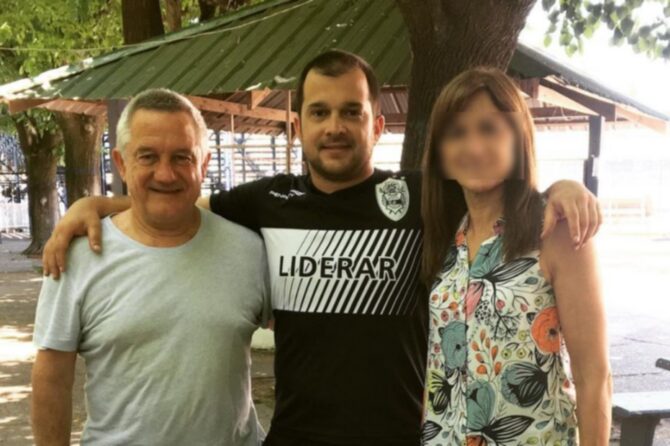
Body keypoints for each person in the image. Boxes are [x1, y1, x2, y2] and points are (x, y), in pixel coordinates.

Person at [41, 51, 602, 446]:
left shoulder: (423, 198)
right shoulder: (266, 202)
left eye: (351, 112)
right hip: (296, 437)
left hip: (404, 437)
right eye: (319, 112)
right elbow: (174, 197)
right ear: (299, 125)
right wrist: (93, 205)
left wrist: (561, 189)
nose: (335, 126)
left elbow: (498, 185)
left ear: (376, 125)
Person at [31, 89, 271, 446]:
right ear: (121, 163)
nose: (166, 174)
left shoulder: (250, 251)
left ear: (204, 163)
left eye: (182, 157)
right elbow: (52, 377)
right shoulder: (78, 257)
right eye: (148, 156)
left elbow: (306, 346)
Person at [420, 67, 611, 445]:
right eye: (457, 132)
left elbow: (595, 377)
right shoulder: (445, 237)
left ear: (517, 137)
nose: (474, 147)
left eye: (489, 129)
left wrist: (564, 187)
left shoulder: (554, 231)